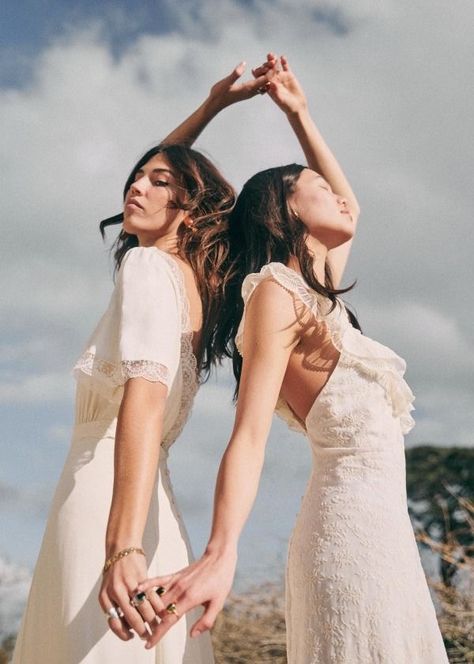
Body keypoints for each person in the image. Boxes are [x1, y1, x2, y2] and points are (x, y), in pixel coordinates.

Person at [137, 54, 450, 663]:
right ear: (286, 211)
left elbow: (353, 209)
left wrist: (300, 114)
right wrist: (220, 551)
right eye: (319, 190)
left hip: (387, 544)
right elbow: (248, 436)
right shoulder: (277, 294)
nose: (338, 197)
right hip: (348, 542)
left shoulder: (318, 296)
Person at [11, 63, 269, 664]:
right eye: (136, 178)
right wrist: (212, 105)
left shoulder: (148, 267)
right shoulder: (195, 290)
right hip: (153, 495)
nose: (137, 187)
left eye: (158, 182)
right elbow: (167, 165)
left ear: (188, 205)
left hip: (104, 493)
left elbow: (145, 398)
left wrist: (122, 545)